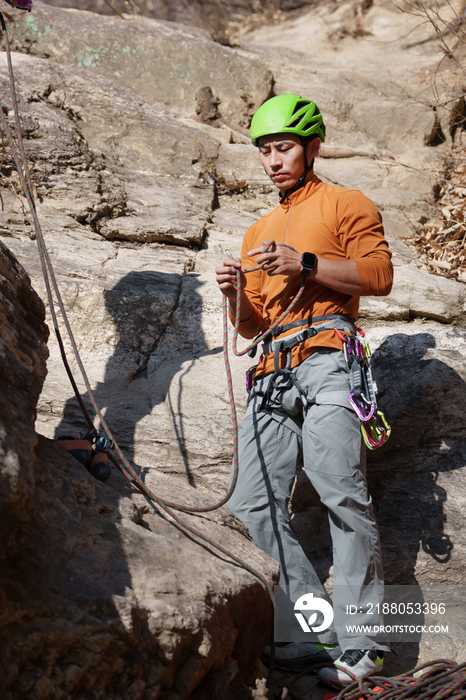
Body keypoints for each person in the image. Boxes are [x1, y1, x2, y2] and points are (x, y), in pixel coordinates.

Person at [215, 94, 393, 688]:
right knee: (249, 503)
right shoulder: (257, 230)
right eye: (265, 151)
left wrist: (308, 262)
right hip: (272, 368)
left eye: (284, 147)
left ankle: (363, 643)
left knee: (341, 493)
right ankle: (311, 633)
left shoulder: (347, 203)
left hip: (328, 362)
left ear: (313, 146)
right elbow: (255, 324)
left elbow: (379, 276)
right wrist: (234, 293)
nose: (273, 161)